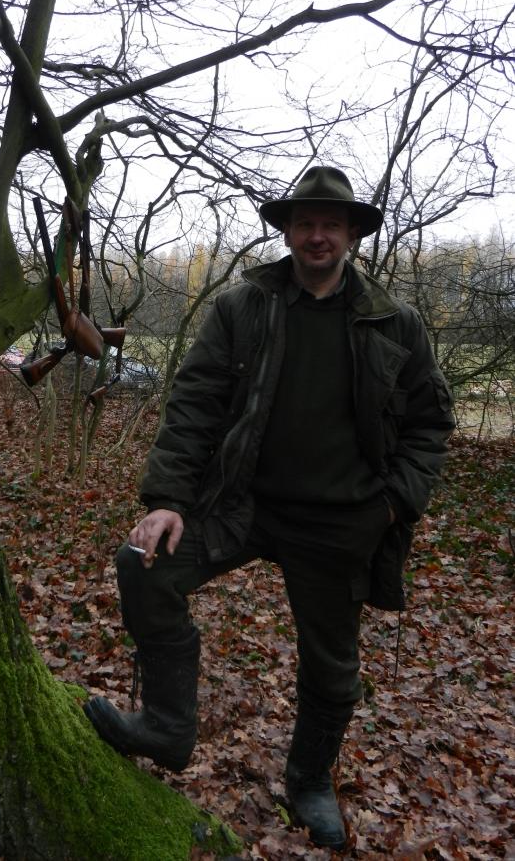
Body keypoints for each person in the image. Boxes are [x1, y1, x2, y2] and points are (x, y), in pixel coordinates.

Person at [84, 166, 455, 849]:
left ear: (351, 235)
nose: (317, 236)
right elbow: (194, 404)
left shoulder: (393, 322)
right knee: (144, 563)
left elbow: (430, 423)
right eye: (304, 223)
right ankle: (166, 727)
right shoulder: (243, 307)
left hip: (341, 520)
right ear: (286, 232)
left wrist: (393, 504)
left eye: (330, 225)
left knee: (332, 668)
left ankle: (309, 781)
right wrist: (167, 500)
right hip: (241, 503)